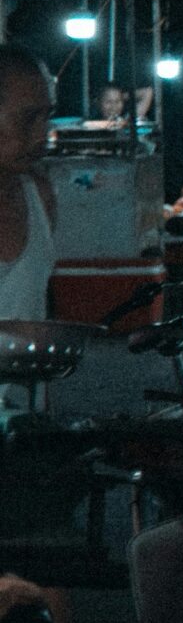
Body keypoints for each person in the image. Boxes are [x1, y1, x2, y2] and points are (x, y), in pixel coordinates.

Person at [0, 47, 60, 408]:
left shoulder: (39, 196)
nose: (42, 135)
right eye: (27, 120)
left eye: (47, 118)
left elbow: (38, 312)